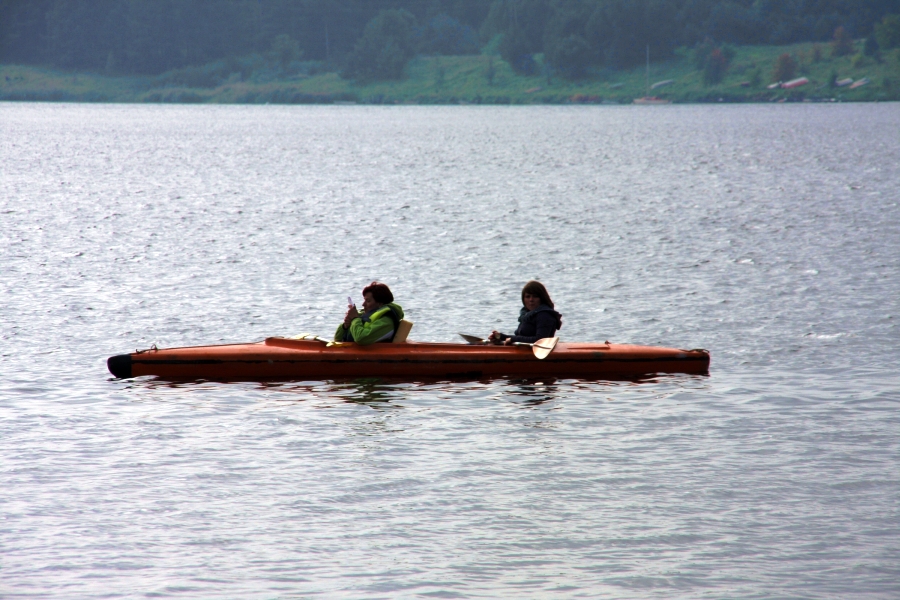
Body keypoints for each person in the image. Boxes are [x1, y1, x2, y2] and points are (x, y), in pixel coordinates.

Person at [490, 281, 562, 345]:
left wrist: (513, 339)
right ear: (523, 299)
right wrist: (501, 337)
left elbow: (540, 341)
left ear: (542, 298)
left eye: (535, 296)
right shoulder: (527, 315)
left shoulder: (545, 315)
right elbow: (522, 338)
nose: (531, 299)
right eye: (528, 296)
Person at [334, 281, 404, 345]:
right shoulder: (362, 315)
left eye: (368, 301)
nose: (363, 304)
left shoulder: (387, 322)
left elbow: (361, 338)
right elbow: (337, 339)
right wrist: (345, 326)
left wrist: (355, 319)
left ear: (380, 303)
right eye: (364, 300)